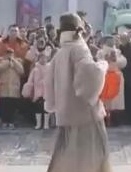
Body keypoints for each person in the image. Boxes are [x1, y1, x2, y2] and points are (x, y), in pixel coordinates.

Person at [44, 12, 111, 172]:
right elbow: (90, 75)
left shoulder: (60, 53)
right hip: (85, 115)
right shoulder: (79, 49)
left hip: (65, 116)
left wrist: (52, 104)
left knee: (65, 159)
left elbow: (49, 83)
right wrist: (103, 65)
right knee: (92, 159)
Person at [96, 36, 126, 126]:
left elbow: (123, 63)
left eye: (112, 40)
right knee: (105, 98)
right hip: (105, 76)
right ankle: (105, 118)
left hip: (116, 76)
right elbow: (99, 62)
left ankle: (116, 119)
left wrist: (115, 59)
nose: (111, 42)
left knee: (116, 100)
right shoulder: (100, 52)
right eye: (109, 40)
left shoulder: (118, 52)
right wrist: (106, 59)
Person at [0, 41, 25, 129]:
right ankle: (4, 121)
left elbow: (21, 71)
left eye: (11, 53)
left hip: (14, 88)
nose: (9, 55)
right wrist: (7, 62)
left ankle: (11, 122)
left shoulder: (18, 61)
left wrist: (13, 61)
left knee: (12, 106)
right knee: (4, 106)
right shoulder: (1, 61)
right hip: (4, 87)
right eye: (8, 53)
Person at [23, 46, 51, 130]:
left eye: (45, 58)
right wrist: (28, 89)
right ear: (39, 59)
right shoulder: (35, 69)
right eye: (41, 58)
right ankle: (38, 124)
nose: (43, 60)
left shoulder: (50, 68)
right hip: (37, 92)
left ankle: (46, 124)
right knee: (38, 108)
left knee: (46, 108)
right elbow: (30, 80)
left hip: (47, 91)